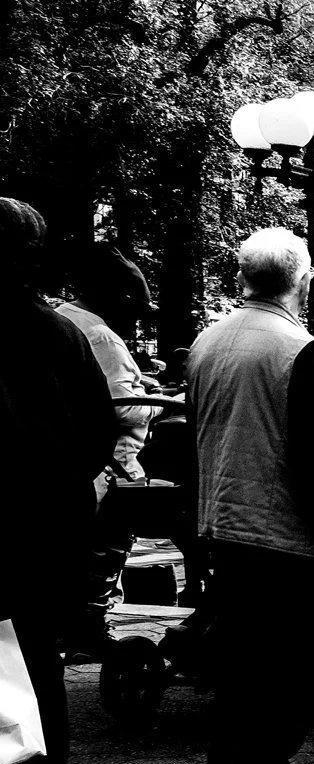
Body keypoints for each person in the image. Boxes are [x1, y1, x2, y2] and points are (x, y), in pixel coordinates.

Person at [188, 227, 314, 764]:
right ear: (305, 280)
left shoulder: (207, 342)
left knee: (240, 650)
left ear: (242, 279)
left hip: (222, 518)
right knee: (288, 654)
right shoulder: (298, 349)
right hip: (281, 528)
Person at [0, 198, 116, 764]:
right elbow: (101, 426)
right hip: (55, 515)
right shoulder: (64, 330)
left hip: (6, 514)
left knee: (3, 648)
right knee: (40, 649)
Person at [54, 243, 161, 652]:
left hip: (76, 463)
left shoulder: (63, 319)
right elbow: (123, 408)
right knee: (107, 546)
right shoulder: (98, 334)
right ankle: (88, 625)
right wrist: (157, 401)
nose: (137, 315)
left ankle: (72, 621)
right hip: (112, 465)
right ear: (117, 294)